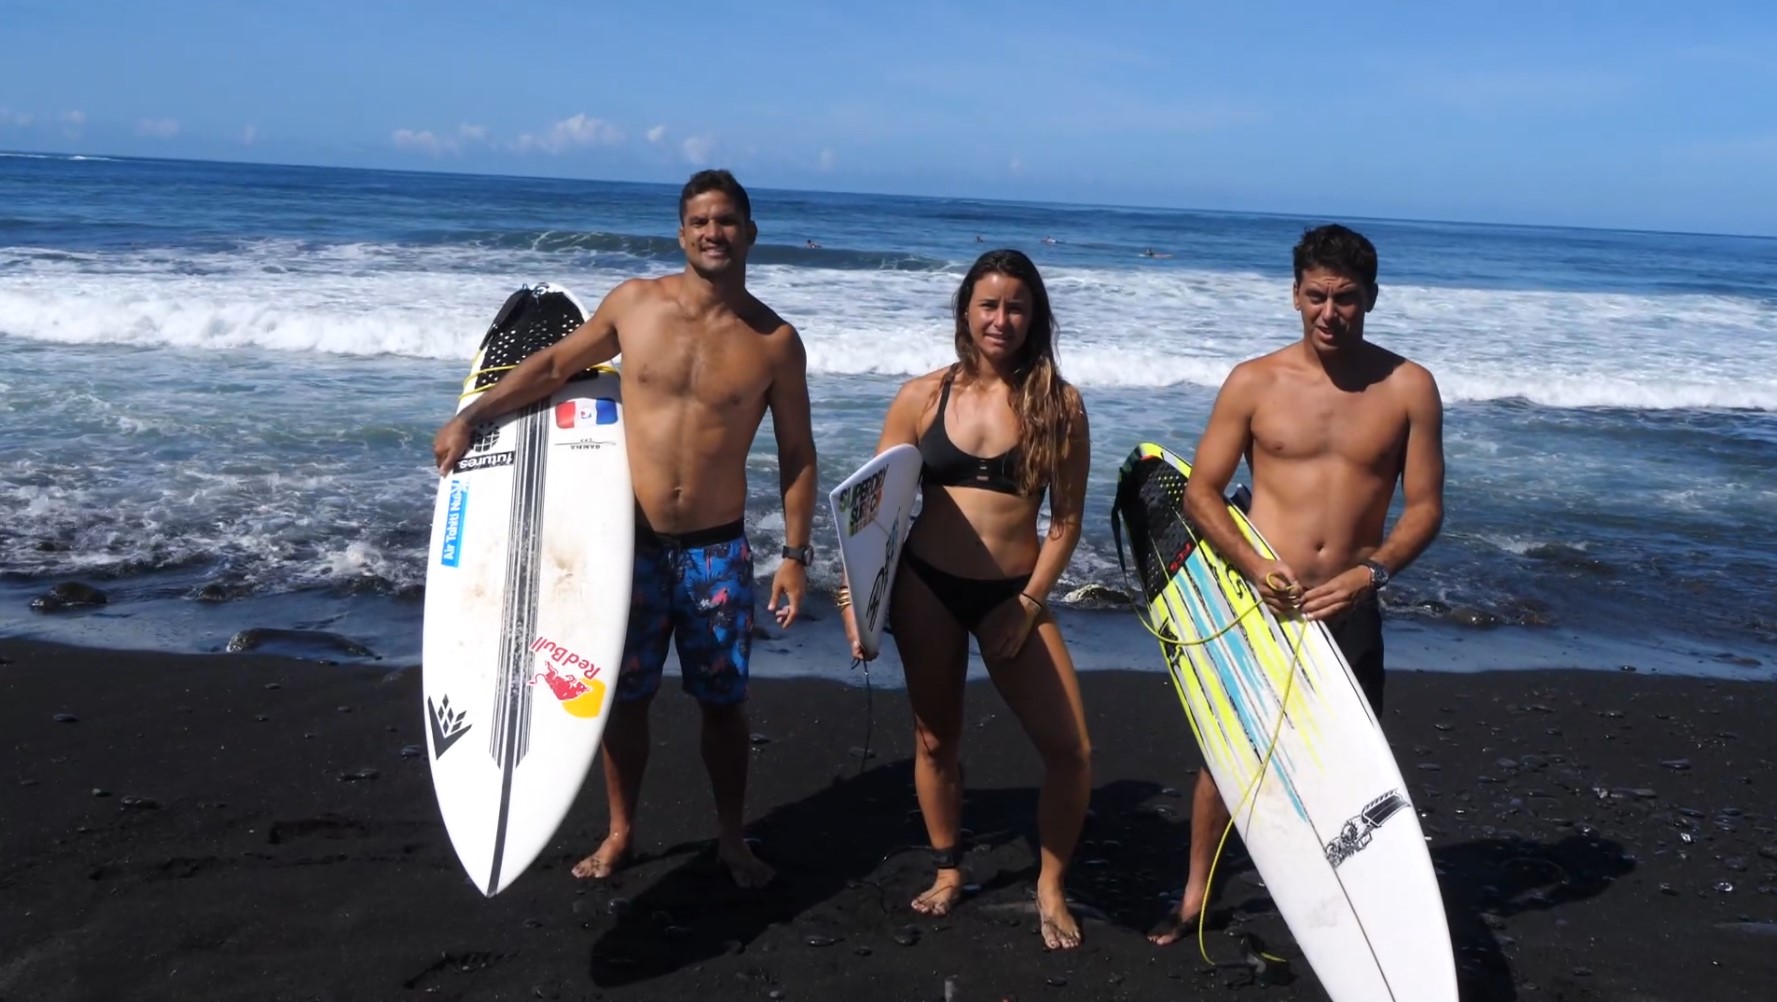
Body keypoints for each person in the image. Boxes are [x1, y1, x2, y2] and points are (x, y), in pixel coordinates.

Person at [432, 168, 818, 889]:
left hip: (715, 552)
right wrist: (473, 415)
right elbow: (551, 365)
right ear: (681, 232)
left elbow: (797, 454)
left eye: (727, 220)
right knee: (622, 700)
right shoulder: (635, 305)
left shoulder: (774, 342)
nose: (714, 232)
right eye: (700, 220)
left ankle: (731, 837)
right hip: (626, 547)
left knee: (724, 705)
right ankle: (620, 833)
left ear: (750, 233)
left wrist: (794, 555)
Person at [1148, 223, 1446, 945]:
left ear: (1370, 297)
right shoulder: (1254, 382)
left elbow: (1427, 508)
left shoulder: (1408, 387)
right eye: (1315, 295)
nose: (1329, 312)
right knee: (1228, 757)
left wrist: (1369, 573)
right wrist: (1254, 568)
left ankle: (1336, 903)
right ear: (1293, 295)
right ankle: (1195, 895)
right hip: (1260, 607)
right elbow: (1201, 493)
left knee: (1347, 761)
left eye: (1345, 298)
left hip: (1349, 607)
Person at [841, 248, 1093, 950]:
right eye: (988, 304)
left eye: (1016, 305)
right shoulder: (923, 396)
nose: (1001, 318)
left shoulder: (1059, 405)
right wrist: (854, 601)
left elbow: (1065, 521)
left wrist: (1030, 603)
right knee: (934, 737)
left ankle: (1049, 883)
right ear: (964, 311)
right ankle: (948, 868)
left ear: (1034, 315)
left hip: (1012, 593)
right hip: (926, 586)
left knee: (1070, 750)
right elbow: (871, 514)